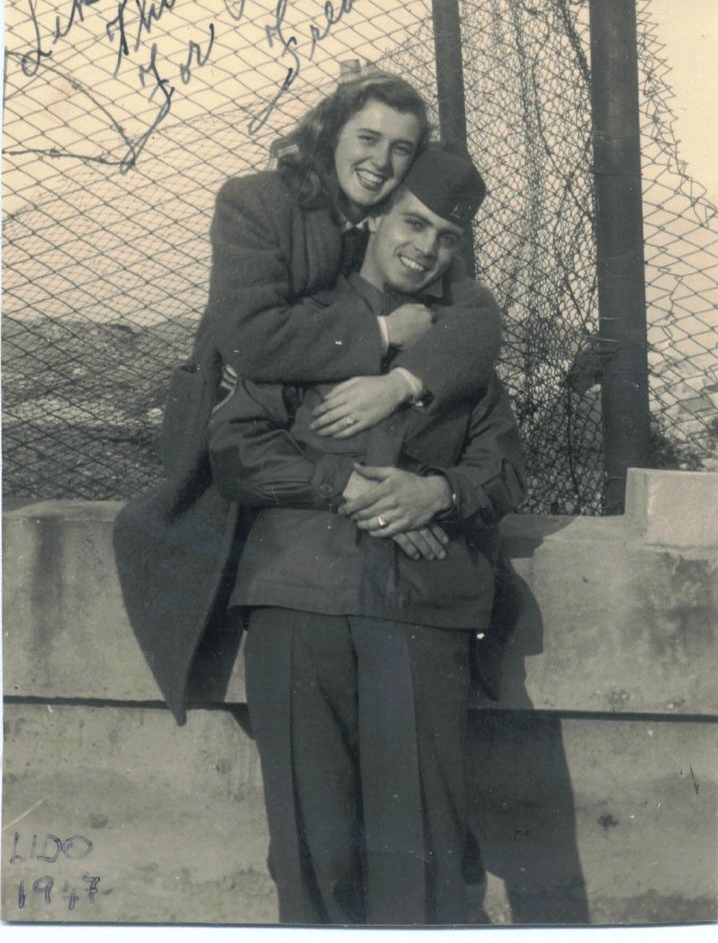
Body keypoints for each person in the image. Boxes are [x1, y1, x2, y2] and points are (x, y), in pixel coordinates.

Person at [115, 73, 503, 725]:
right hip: (241, 424)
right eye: (369, 138)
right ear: (330, 133)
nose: (380, 161)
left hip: (341, 431)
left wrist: (400, 383)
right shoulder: (254, 202)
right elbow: (255, 340)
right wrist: (381, 331)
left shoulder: (399, 221)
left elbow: (477, 319)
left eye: (401, 149)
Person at [207, 145, 526, 925]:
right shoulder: (311, 321)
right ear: (378, 217)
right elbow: (237, 444)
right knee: (314, 848)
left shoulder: (463, 344)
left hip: (421, 612)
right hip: (301, 597)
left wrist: (435, 492)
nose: (425, 247)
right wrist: (345, 487)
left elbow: (506, 469)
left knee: (421, 842)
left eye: (447, 237)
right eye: (413, 222)